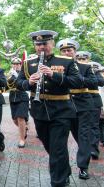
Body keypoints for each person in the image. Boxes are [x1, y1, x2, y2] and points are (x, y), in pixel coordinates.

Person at [16, 30, 82, 187]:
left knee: (58, 148)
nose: (41, 47)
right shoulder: (28, 64)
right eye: (38, 44)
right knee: (50, 146)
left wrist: (54, 75)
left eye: (44, 44)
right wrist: (29, 83)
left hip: (61, 111)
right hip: (39, 111)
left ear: (52, 44)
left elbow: (77, 82)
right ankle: (64, 170)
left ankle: (58, 182)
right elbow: (18, 83)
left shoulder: (66, 61)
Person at [57, 41, 96, 180]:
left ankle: (83, 167)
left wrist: (78, 78)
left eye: (70, 50)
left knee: (83, 136)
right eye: (64, 51)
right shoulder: (57, 67)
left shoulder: (85, 67)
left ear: (75, 51)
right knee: (64, 139)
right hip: (65, 105)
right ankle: (63, 171)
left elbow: (93, 83)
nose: (67, 53)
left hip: (83, 105)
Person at [7, 57, 29, 148]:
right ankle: (24, 128)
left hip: (22, 96)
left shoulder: (24, 73)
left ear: (21, 65)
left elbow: (26, 84)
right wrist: (10, 77)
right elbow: (7, 86)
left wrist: (17, 76)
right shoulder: (9, 74)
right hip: (13, 97)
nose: (15, 65)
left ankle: (22, 139)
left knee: (20, 118)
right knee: (15, 120)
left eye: (17, 64)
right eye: (14, 64)